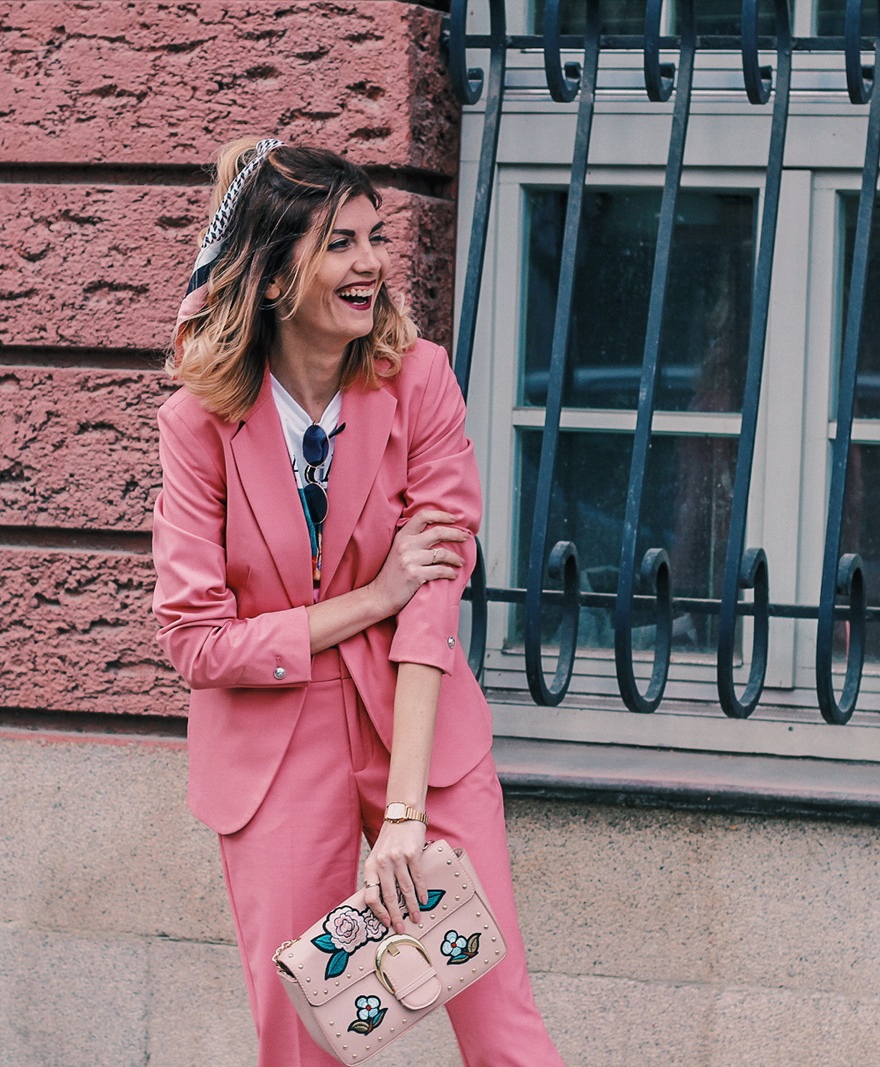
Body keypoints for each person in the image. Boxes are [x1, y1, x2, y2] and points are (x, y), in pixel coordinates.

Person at [152, 136, 565, 1066]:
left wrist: (408, 815)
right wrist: (373, 592)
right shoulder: (197, 426)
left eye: (376, 238)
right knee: (302, 1039)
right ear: (268, 277)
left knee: (502, 1025)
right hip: (272, 750)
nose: (372, 263)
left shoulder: (421, 382)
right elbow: (195, 641)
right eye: (340, 243)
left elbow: (430, 608)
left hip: (418, 724)